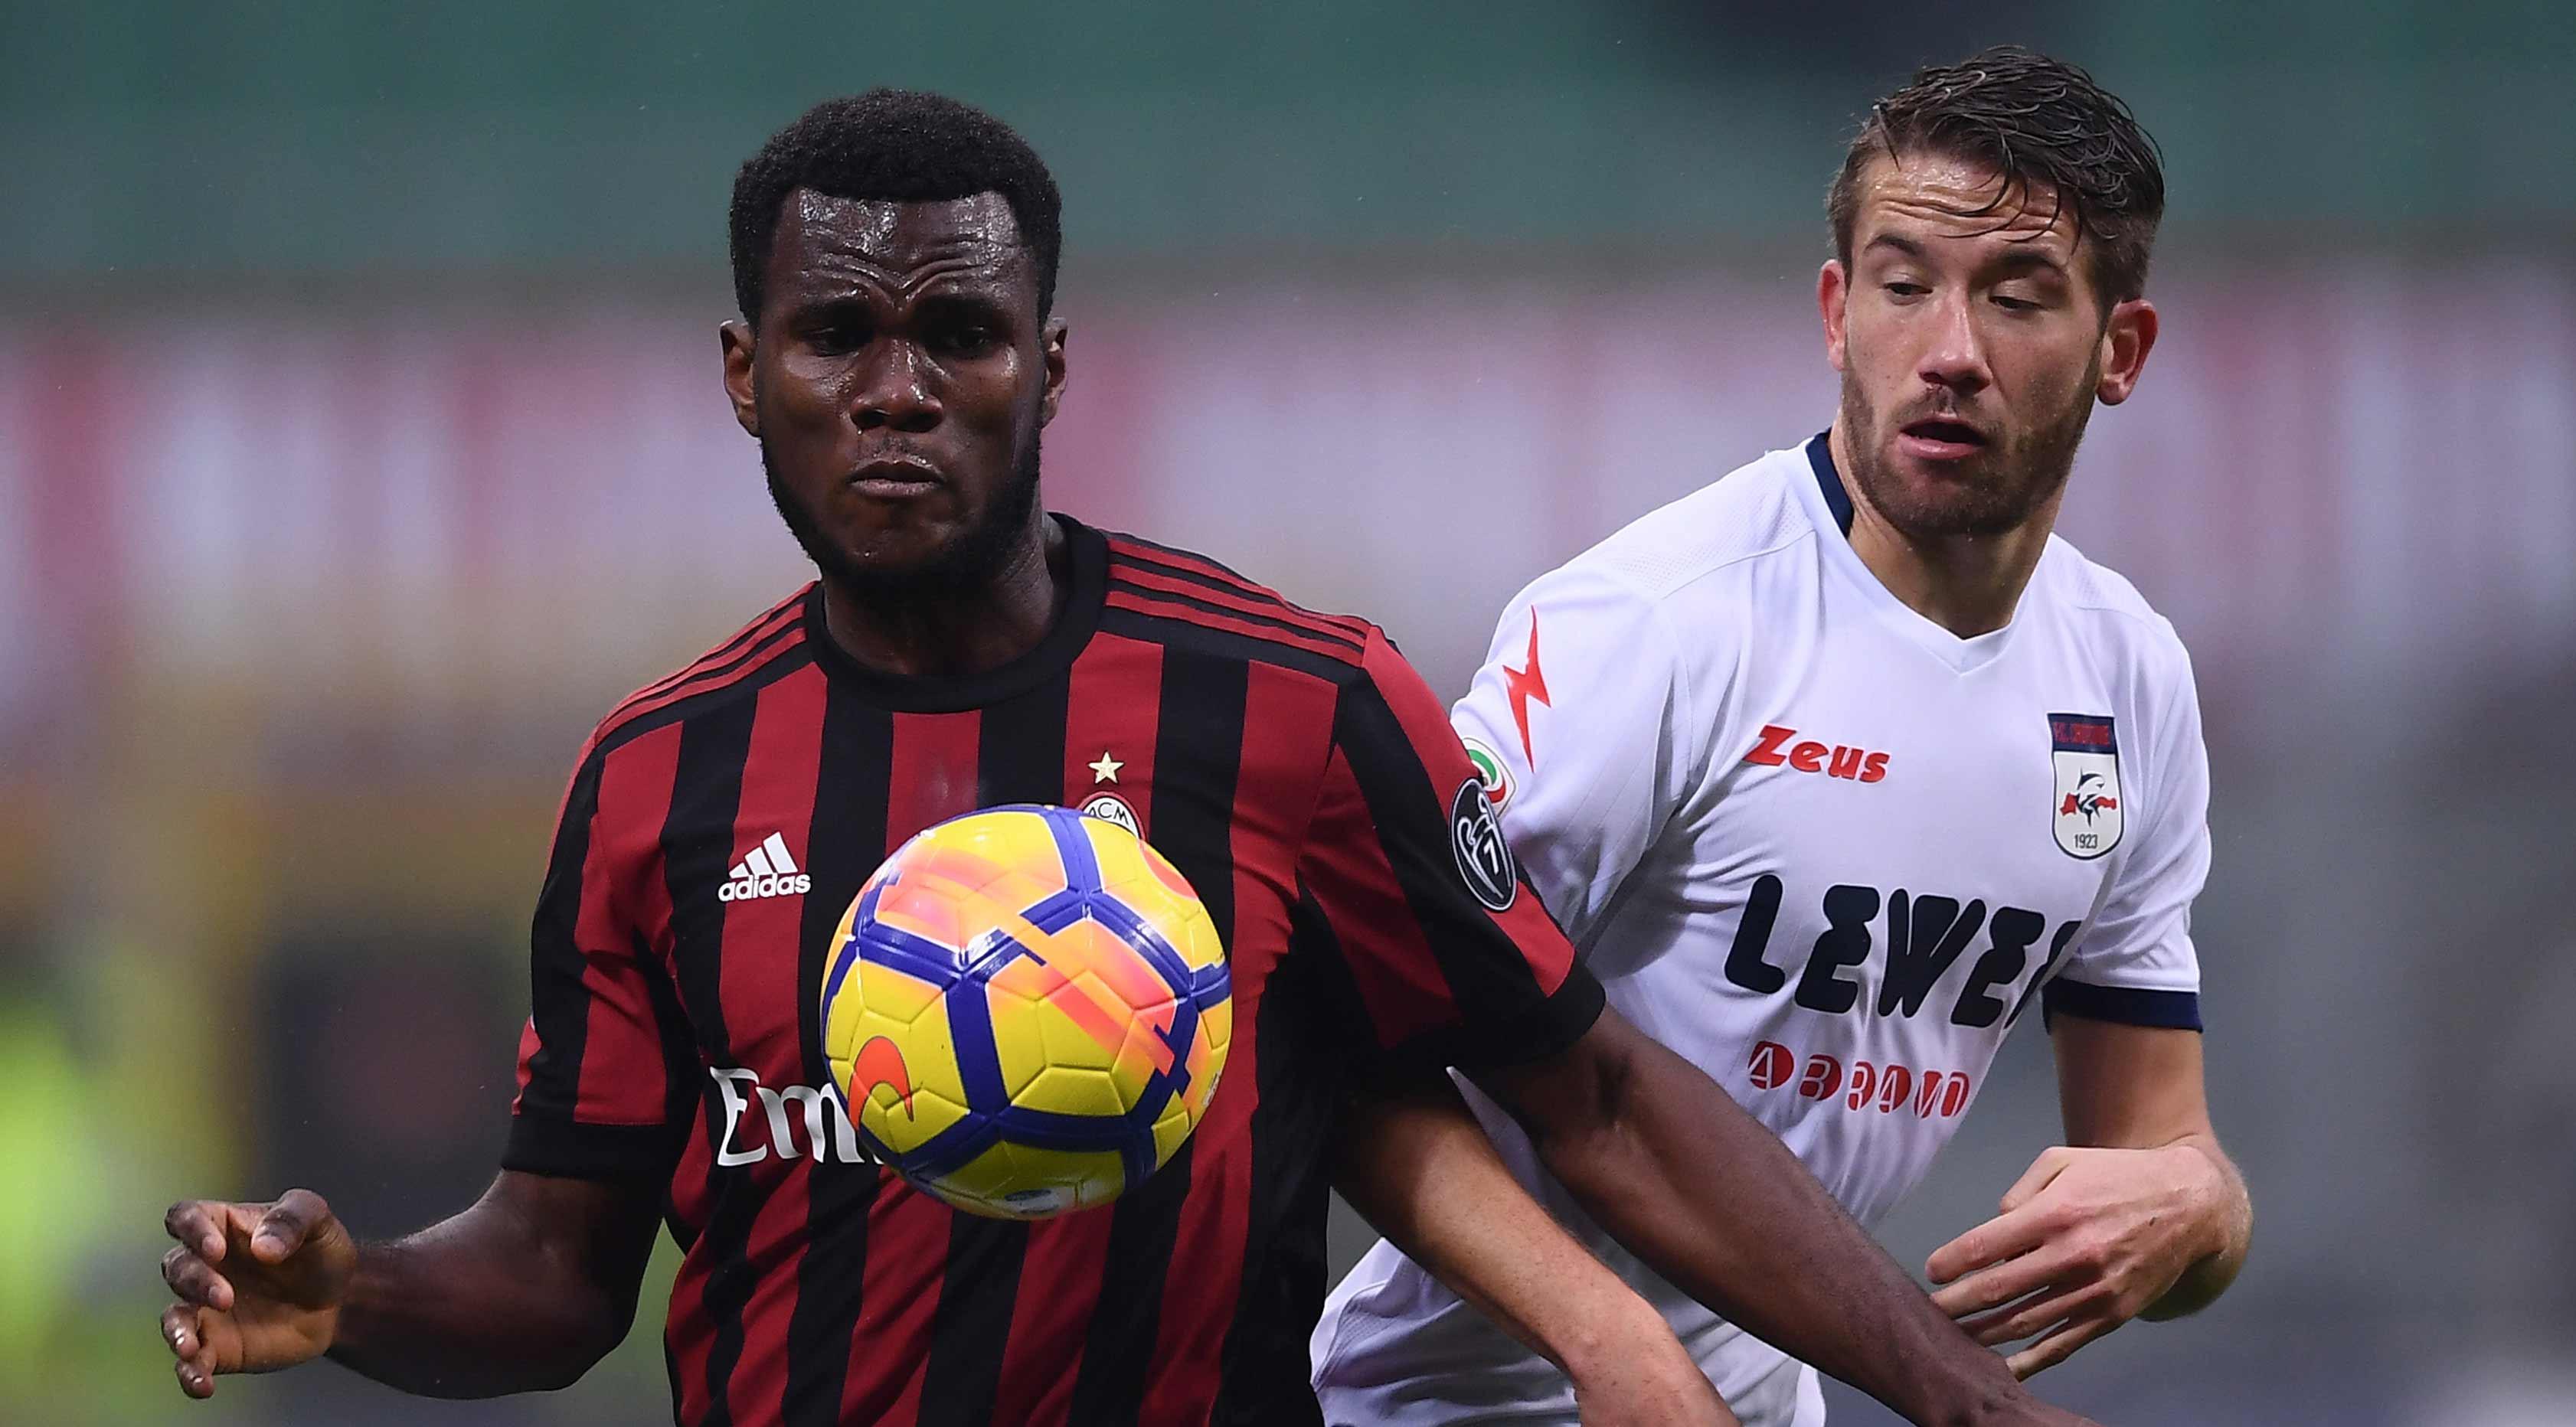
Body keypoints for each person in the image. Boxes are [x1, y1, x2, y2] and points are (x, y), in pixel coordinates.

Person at [155, 90, 2095, 1427]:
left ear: (1048, 368)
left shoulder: (1293, 705)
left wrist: (1947, 1386)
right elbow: (559, 1267)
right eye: (835, 335)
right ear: (746, 374)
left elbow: (1587, 1095)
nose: (897, 390)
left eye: (959, 335)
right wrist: (358, 1300)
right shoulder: (656, 780)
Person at [1314, 46, 2254, 1425]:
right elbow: (1352, 1044)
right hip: (1452, 1404)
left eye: (2017, 297)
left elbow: (2158, 1159)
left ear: (2121, 349)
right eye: (1903, 284)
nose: (1950, 353)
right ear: (1834, 311)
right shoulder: (1652, 626)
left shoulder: (2127, 680)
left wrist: (2205, 1207)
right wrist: (1609, 1336)